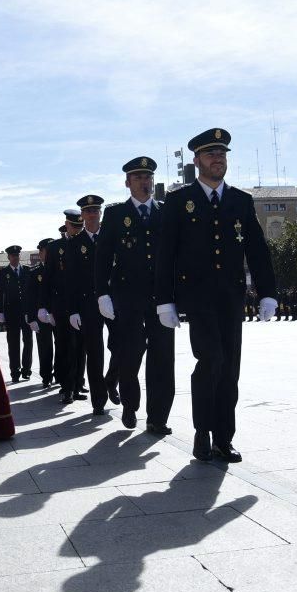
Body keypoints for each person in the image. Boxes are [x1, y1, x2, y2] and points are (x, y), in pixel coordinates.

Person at [155, 129, 277, 462]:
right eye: (210, 154)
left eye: (222, 153)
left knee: (230, 368)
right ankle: (202, 432)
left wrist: (267, 293)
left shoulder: (240, 200)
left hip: (231, 297)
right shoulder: (180, 202)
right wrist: (164, 300)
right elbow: (165, 253)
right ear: (196, 161)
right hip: (197, 297)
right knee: (211, 361)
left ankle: (224, 437)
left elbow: (257, 249)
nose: (218, 159)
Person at [96, 156, 175, 434]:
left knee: (163, 356)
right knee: (130, 353)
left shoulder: (165, 212)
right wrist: (102, 294)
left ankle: (158, 416)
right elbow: (103, 256)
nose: (145, 182)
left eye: (148, 177)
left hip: (161, 297)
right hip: (127, 296)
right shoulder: (116, 214)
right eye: (139, 178)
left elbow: (177, 255)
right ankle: (130, 405)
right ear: (128, 183)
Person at [67, 194, 119, 415]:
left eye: (95, 210)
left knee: (122, 346)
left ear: (100, 213)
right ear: (82, 215)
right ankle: (99, 400)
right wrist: (73, 310)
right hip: (88, 305)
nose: (92, 215)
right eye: (88, 211)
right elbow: (71, 280)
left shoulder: (112, 237)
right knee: (95, 352)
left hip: (113, 301)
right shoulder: (75, 244)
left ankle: (111, 380)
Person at [40, 211, 86, 404]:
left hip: (82, 305)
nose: (77, 231)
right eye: (74, 227)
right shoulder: (55, 247)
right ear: (67, 225)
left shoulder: (85, 243)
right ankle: (67, 388)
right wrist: (45, 308)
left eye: (79, 227)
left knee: (80, 348)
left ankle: (77, 386)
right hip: (61, 306)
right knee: (65, 347)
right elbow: (48, 279)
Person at [0, 245, 33, 382]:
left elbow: (32, 292)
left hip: (27, 312)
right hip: (11, 312)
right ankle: (15, 370)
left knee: (28, 341)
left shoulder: (27, 271)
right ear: (8, 257)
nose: (15, 258)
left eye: (17, 256)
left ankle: (26, 369)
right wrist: (0, 312)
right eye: (13, 256)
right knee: (13, 343)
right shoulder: (3, 273)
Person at [26, 238, 55, 388]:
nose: (48, 254)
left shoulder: (59, 267)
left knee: (63, 345)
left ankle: (61, 374)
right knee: (45, 347)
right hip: (41, 316)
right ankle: (46, 375)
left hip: (57, 313)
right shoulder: (34, 272)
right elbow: (30, 298)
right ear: (41, 253)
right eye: (45, 251)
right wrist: (32, 318)